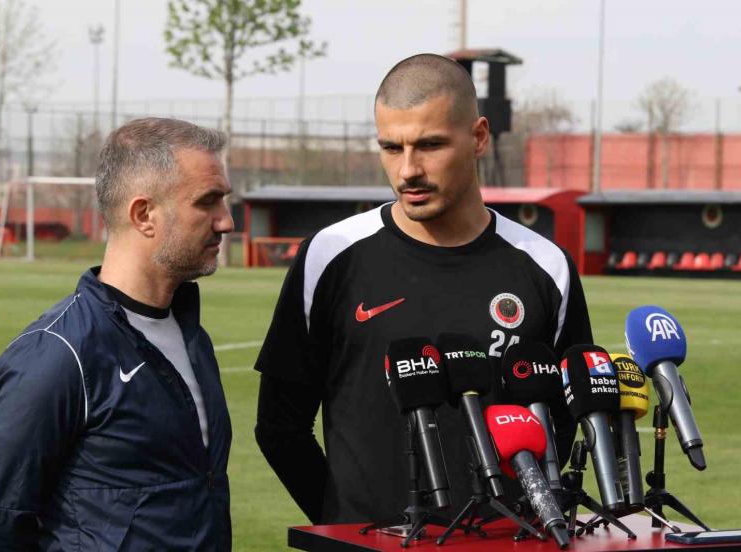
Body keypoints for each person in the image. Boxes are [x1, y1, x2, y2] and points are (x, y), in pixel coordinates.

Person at [254, 54, 593, 525]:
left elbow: (563, 422)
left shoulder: (546, 266)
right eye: (391, 148)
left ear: (479, 137)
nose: (408, 170)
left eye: (430, 145)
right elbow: (280, 427)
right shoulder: (328, 256)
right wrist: (344, 528)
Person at [0, 118, 234, 550]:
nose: (226, 222)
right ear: (144, 215)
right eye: (207, 202)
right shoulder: (58, 355)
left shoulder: (193, 337)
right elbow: (0, 518)